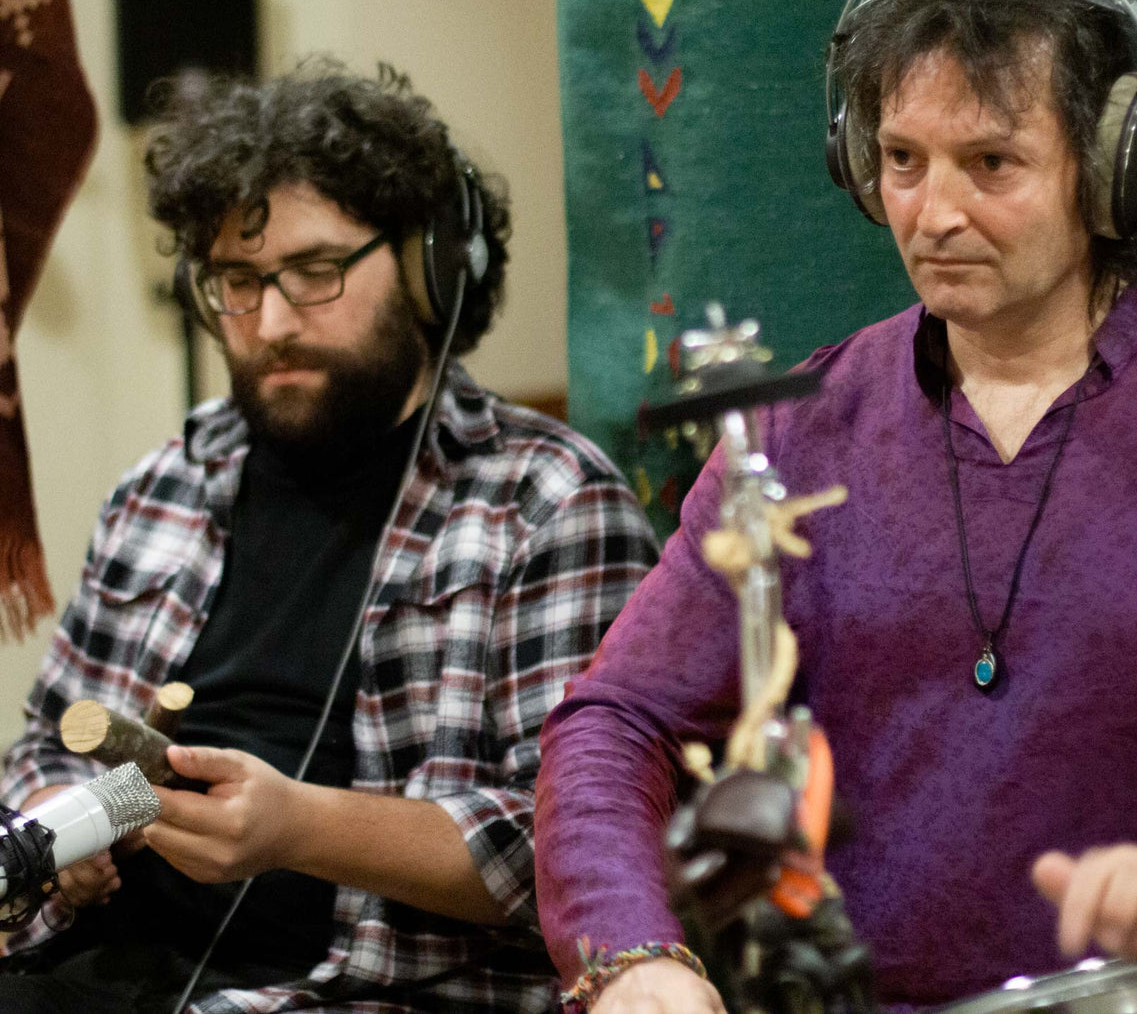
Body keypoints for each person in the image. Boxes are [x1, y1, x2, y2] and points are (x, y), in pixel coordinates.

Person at [532, 0, 1137, 1011]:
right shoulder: (794, 430)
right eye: (901, 160)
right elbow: (617, 717)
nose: (932, 214)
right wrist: (629, 955)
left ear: (1115, 166)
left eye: (990, 164)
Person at [0, 64, 658, 1013]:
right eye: (236, 280)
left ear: (435, 268)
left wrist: (297, 829)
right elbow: (45, 740)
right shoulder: (163, 486)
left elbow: (577, 845)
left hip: (361, 993)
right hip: (105, 972)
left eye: (315, 273)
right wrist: (62, 843)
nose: (270, 323)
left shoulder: (547, 502)